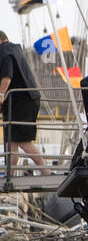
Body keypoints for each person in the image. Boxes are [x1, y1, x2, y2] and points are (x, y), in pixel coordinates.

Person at [0, 31, 49, 176]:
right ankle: (10, 174)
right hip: (23, 100)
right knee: (11, 141)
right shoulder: (15, 49)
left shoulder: (5, 52)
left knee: (22, 139)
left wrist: (1, 95)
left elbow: (6, 76)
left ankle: (46, 171)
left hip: (21, 102)